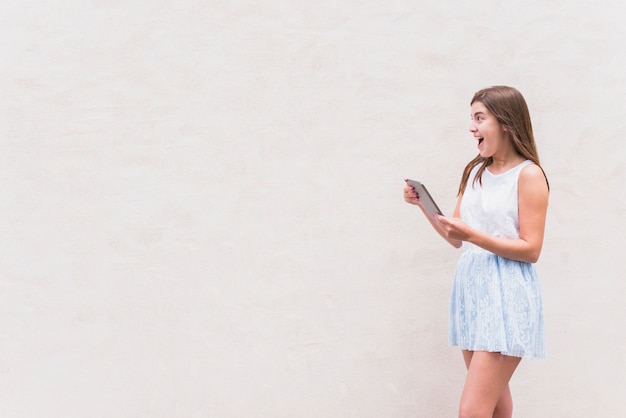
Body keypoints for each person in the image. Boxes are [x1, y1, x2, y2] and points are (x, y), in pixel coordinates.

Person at [403, 86, 549, 418]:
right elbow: (457, 237)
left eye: (480, 118)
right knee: (496, 405)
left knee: (472, 411)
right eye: (472, 118)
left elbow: (531, 249)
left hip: (507, 295)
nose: (472, 127)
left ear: (506, 124)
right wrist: (422, 206)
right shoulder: (474, 171)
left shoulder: (528, 175)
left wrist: (475, 236)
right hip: (473, 293)